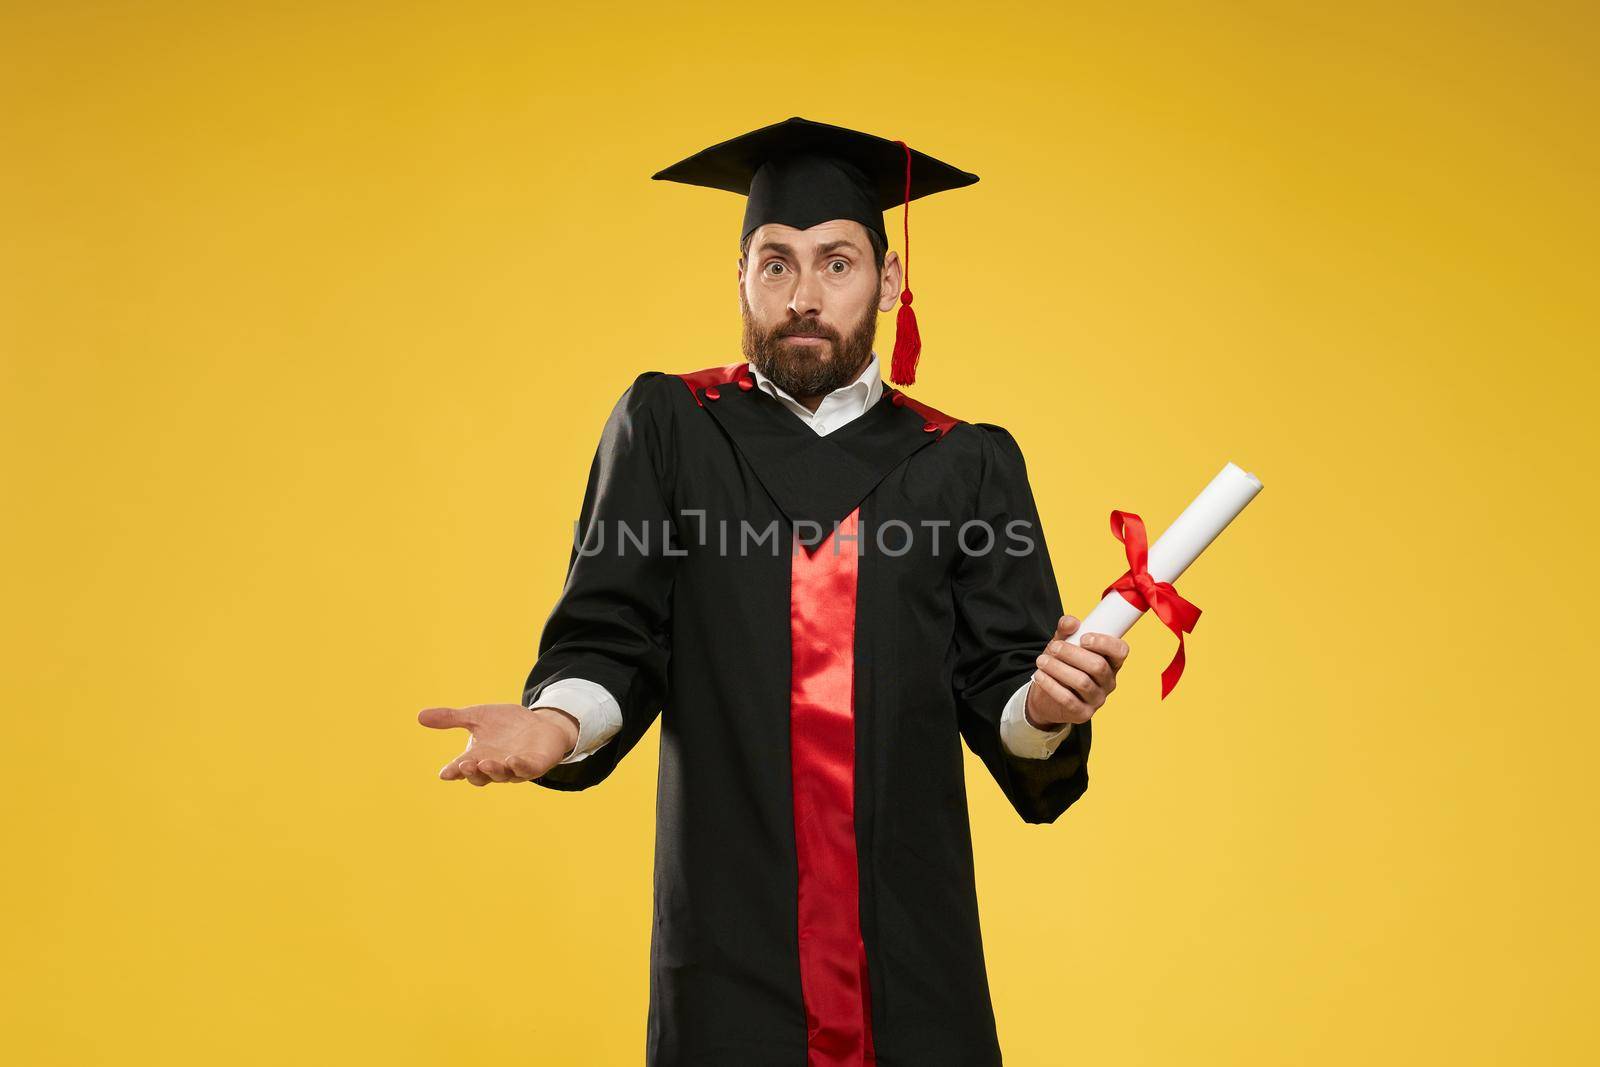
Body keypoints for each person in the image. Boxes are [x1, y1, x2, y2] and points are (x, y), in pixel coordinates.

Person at [418, 116, 1131, 1067]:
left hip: (911, 948)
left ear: (889, 281)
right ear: (742, 278)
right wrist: (559, 721)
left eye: (838, 263)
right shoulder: (671, 426)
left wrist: (1042, 708)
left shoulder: (966, 464)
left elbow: (1005, 686)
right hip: (729, 938)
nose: (804, 295)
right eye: (776, 263)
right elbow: (611, 633)